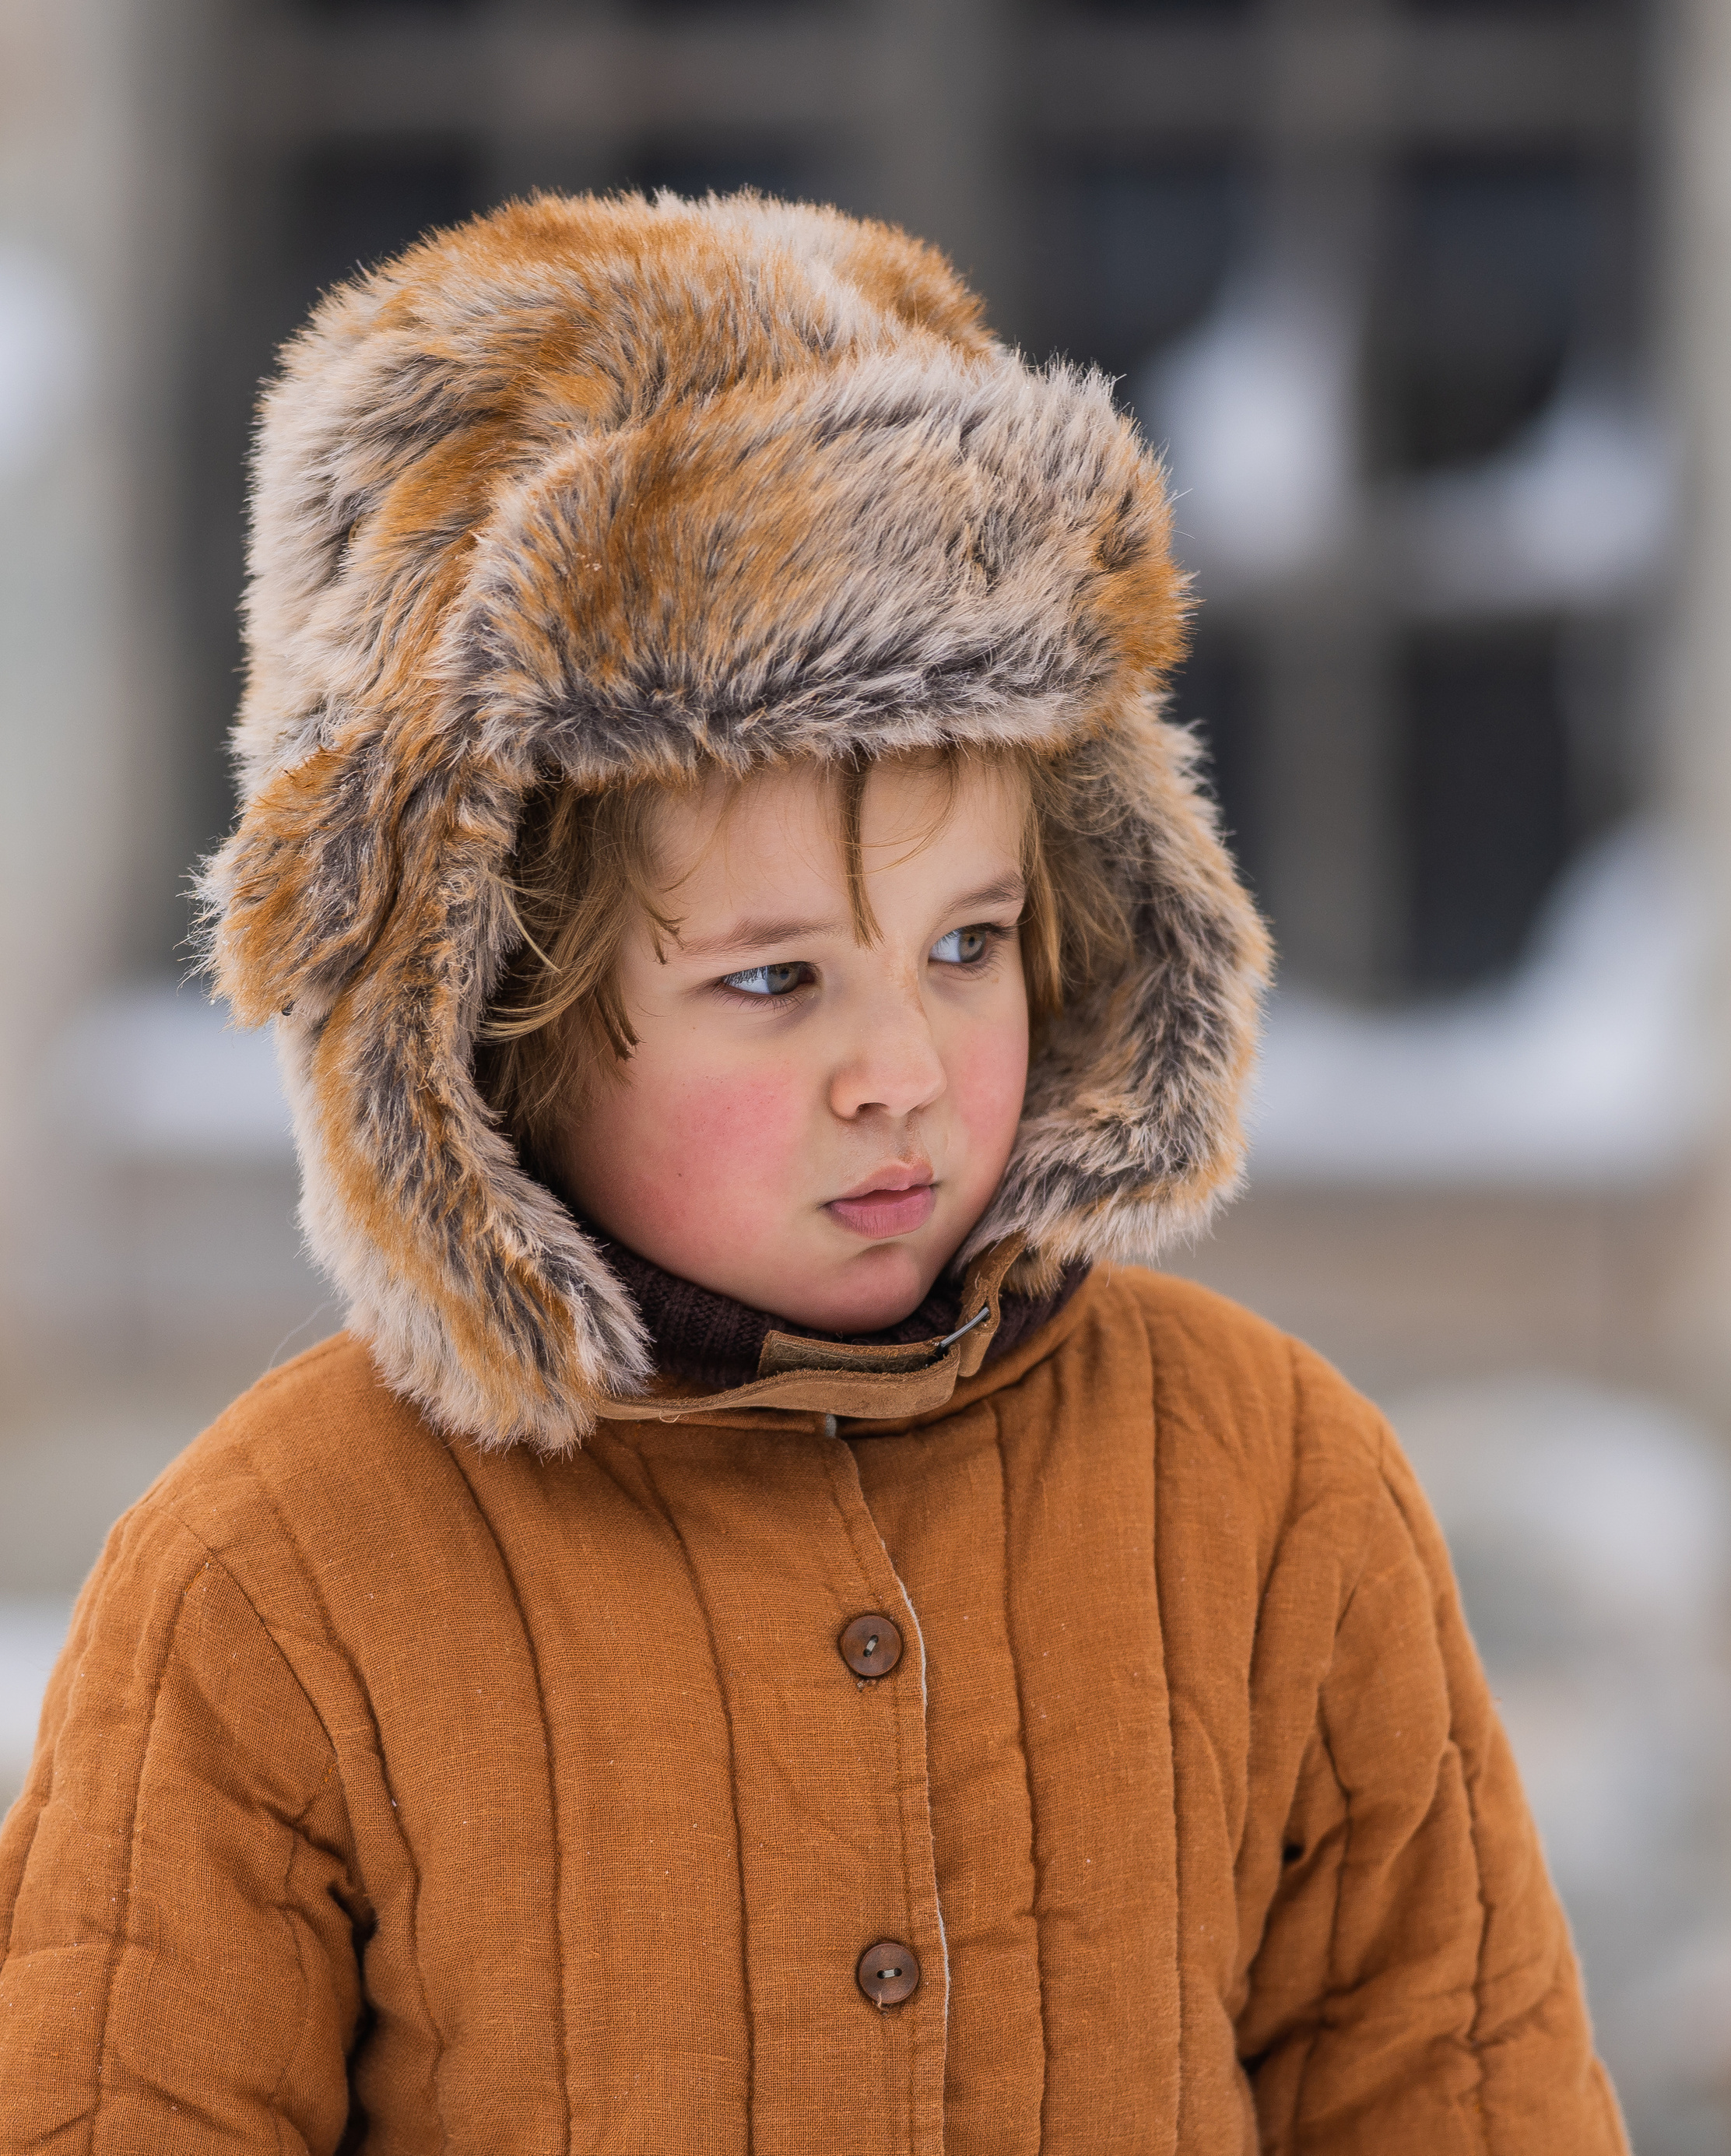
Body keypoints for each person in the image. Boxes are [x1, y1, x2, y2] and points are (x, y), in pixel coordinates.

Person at [0, 191, 1627, 2153]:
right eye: (772, 981)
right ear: (480, 1015)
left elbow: (1458, 2094)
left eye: (966, 945)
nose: (900, 1071)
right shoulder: (274, 1583)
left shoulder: (1270, 1494)